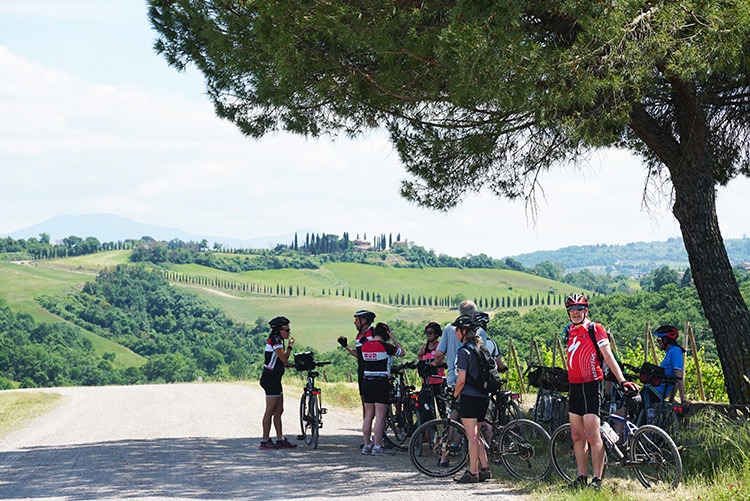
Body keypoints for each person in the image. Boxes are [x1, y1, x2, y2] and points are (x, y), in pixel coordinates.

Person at [563, 294, 637, 489]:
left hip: (591, 384)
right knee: (577, 436)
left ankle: (597, 479)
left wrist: (622, 380)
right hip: (575, 386)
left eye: (579, 308)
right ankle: (581, 477)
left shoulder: (595, 328)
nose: (576, 312)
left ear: (585, 310)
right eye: (572, 309)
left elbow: (608, 355)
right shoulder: (569, 331)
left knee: (592, 434)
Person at [451, 315, 493, 483]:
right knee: (477, 435)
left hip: (469, 396)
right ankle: (485, 469)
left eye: (457, 330)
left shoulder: (463, 351)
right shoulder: (481, 348)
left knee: (472, 436)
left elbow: (461, 379)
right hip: (484, 397)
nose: (455, 333)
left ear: (464, 332)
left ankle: (473, 472)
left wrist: (454, 395)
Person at [360, 322, 404, 455]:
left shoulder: (364, 345)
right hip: (381, 381)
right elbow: (402, 352)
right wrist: (394, 337)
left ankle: (367, 444)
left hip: (366, 380)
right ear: (386, 335)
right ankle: (377, 446)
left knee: (368, 415)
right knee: (380, 415)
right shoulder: (386, 346)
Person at [259, 316, 297, 450]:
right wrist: (291, 347)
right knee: (270, 410)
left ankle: (280, 438)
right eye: (286, 330)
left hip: (275, 378)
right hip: (270, 379)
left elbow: (278, 361)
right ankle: (265, 440)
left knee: (279, 410)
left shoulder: (277, 340)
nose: (289, 333)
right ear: (279, 330)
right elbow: (284, 358)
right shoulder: (276, 340)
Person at [338, 309, 376, 416]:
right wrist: (346, 346)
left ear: (363, 320)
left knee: (377, 402)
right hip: (363, 371)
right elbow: (359, 356)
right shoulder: (359, 336)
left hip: (375, 371)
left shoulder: (373, 333)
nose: (354, 322)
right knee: (364, 400)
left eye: (356, 319)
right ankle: (367, 425)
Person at [650, 325, 691, 405]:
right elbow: (674, 380)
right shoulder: (670, 352)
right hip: (654, 391)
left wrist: (683, 399)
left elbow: (678, 377)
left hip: (655, 393)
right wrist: (671, 399)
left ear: (665, 340)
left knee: (627, 408)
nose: (657, 341)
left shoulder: (675, 351)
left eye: (659, 339)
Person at [417, 321, 446, 420]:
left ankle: (444, 425)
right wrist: (423, 363)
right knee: (427, 406)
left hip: (438, 380)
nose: (428, 335)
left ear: (436, 334)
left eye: (430, 333)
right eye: (427, 332)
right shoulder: (424, 347)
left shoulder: (439, 346)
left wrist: (436, 363)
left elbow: (441, 357)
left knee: (441, 406)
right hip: (426, 380)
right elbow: (419, 355)